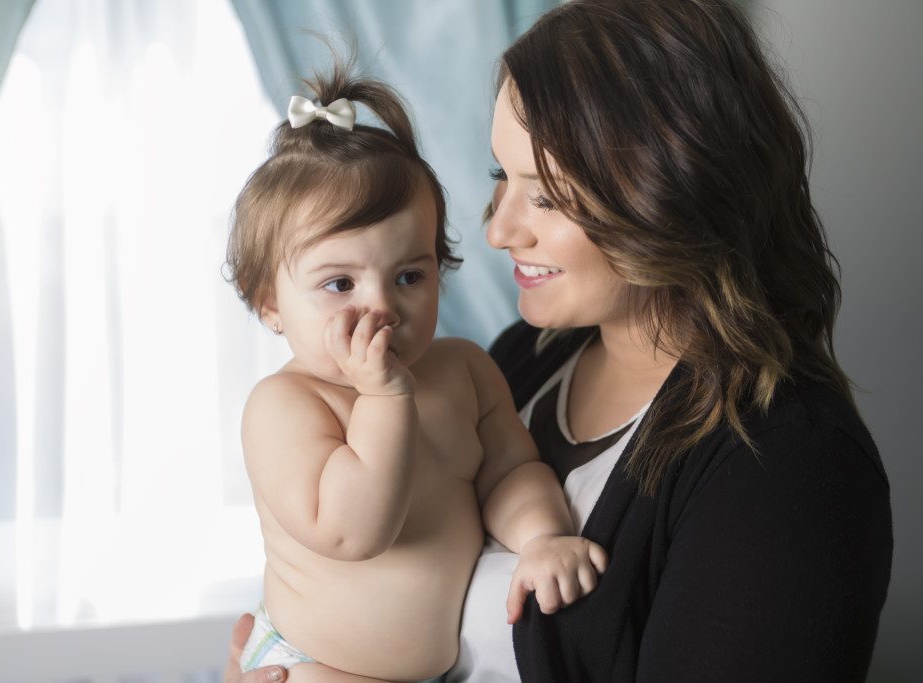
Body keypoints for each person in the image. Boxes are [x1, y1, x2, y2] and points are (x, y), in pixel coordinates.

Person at [229, 1, 892, 681]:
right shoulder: (528, 354)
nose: (498, 231)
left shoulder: (787, 464)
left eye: (546, 196)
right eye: (500, 177)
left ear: (667, 193)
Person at [224, 59, 609, 683]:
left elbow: (510, 473)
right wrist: (383, 399)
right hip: (313, 664)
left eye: (409, 275)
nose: (381, 306)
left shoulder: (465, 371)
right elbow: (355, 532)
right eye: (340, 283)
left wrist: (541, 537)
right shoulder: (285, 406)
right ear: (269, 302)